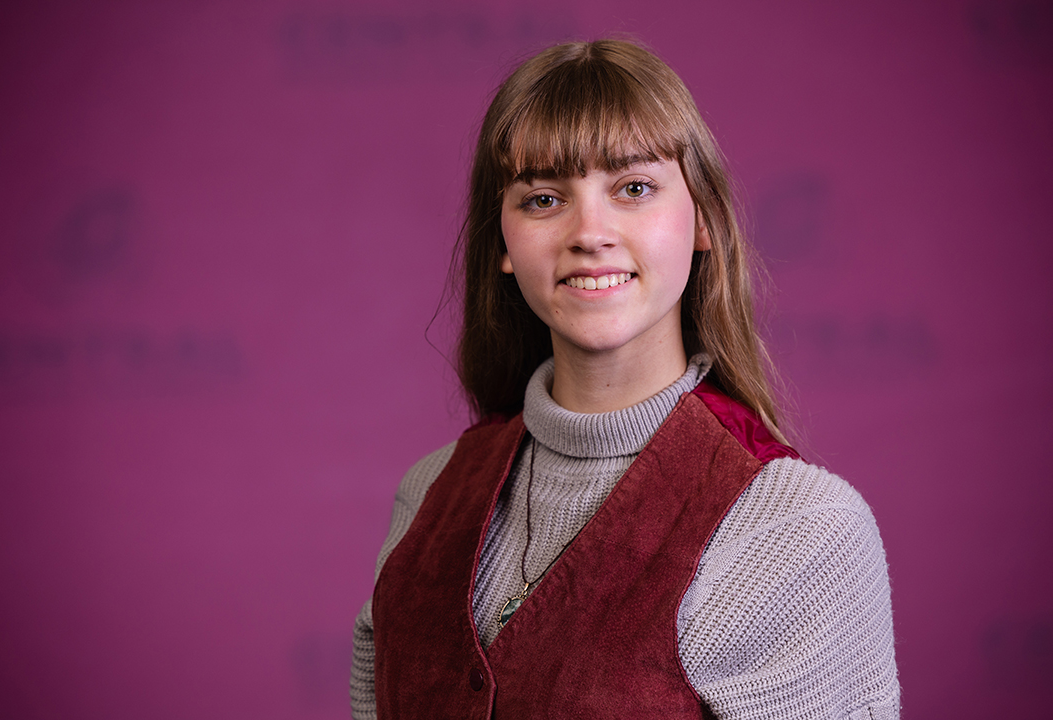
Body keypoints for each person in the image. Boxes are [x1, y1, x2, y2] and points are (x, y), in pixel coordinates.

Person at [350, 39, 899, 719]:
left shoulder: (797, 529)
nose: (590, 233)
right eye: (543, 198)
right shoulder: (426, 494)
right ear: (502, 244)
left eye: (633, 188)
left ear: (703, 220)